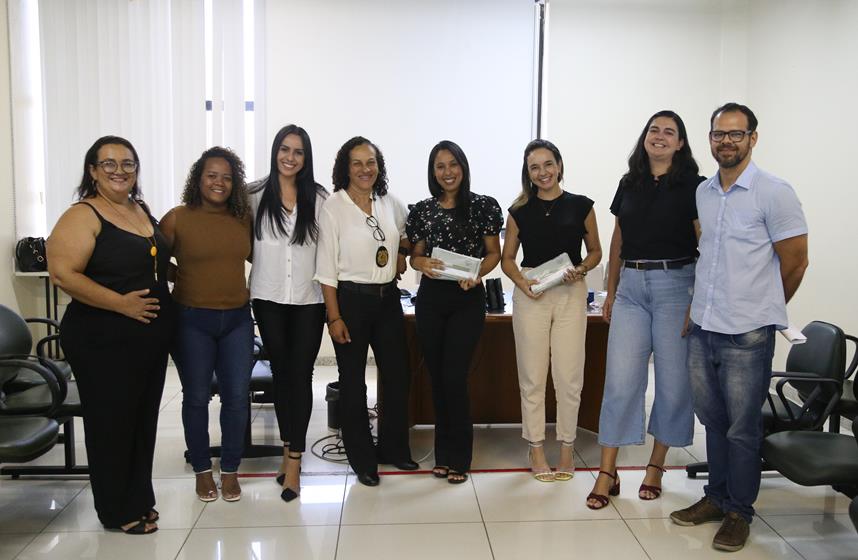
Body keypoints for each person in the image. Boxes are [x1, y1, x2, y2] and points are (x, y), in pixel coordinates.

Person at [670, 103, 808, 552]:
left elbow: (796, 261)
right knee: (712, 420)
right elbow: (709, 255)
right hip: (704, 325)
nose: (726, 141)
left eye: (735, 134)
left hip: (747, 333)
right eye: (718, 134)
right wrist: (696, 308)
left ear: (753, 138)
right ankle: (716, 497)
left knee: (742, 428)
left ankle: (738, 512)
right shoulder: (705, 192)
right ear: (710, 139)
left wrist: (763, 308)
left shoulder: (774, 192)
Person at [48, 136, 174, 534]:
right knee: (111, 423)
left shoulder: (138, 209)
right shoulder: (83, 214)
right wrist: (121, 304)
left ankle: (138, 498)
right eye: (109, 163)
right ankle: (116, 510)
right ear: (92, 170)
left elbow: (151, 263)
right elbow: (62, 274)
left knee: (140, 421)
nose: (119, 170)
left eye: (127, 163)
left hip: (146, 338)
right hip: (102, 337)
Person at [587, 111, 705, 510]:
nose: (660, 136)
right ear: (645, 138)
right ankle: (607, 471)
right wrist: (611, 290)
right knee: (620, 382)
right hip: (632, 289)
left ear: (680, 143)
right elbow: (618, 237)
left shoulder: (695, 186)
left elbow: (705, 243)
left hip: (677, 287)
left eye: (669, 132)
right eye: (654, 130)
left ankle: (656, 465)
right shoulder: (629, 182)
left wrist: (696, 301)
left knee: (673, 384)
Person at [315, 136, 417, 486]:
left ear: (379, 165)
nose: (364, 169)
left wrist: (401, 253)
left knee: (397, 376)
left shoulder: (389, 202)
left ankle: (394, 449)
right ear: (345, 168)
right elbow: (326, 269)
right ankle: (362, 460)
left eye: (370, 162)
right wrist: (334, 317)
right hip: (350, 301)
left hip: (388, 300)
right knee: (353, 383)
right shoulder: (334, 207)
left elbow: (406, 234)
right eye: (356, 163)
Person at [501, 139, 602, 482]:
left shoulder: (581, 206)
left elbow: (595, 252)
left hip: (570, 291)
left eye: (548, 164)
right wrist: (522, 283)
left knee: (569, 376)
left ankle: (567, 447)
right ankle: (536, 447)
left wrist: (581, 269)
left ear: (559, 165)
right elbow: (507, 259)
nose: (542, 172)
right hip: (532, 293)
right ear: (527, 173)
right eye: (534, 167)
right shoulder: (519, 211)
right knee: (532, 376)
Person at [406, 140, 503, 484]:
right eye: (440, 166)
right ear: (433, 172)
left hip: (466, 298)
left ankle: (459, 457)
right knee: (437, 378)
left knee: (454, 377)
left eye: (453, 164)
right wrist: (420, 263)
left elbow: (494, 253)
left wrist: (477, 273)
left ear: (463, 166)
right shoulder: (422, 210)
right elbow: (414, 256)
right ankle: (442, 454)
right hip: (431, 299)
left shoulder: (484, 206)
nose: (447, 172)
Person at [160, 147, 253, 503]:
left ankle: (229, 470)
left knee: (236, 398)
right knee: (197, 397)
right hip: (191, 320)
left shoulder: (242, 219)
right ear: (198, 179)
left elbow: (261, 258)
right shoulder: (177, 218)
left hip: (238, 320)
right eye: (212, 175)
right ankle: (202, 469)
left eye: (227, 177)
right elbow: (154, 262)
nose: (219, 183)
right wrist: (180, 275)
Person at [247, 125, 328, 502]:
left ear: (306, 157)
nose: (290, 157)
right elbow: (240, 242)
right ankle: (287, 451)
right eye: (284, 149)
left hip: (310, 299)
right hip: (268, 297)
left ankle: (294, 462)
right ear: (275, 151)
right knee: (282, 376)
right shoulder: (253, 196)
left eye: (298, 151)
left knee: (301, 375)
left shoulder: (320, 198)